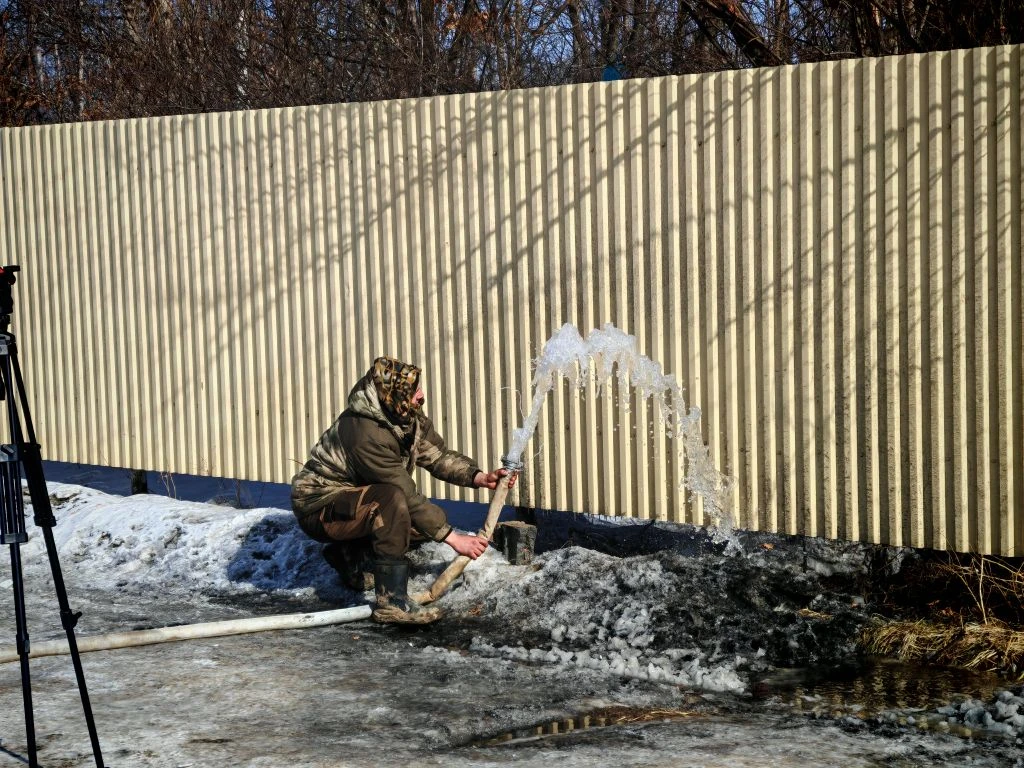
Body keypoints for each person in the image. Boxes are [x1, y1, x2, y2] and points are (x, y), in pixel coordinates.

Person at [290, 356, 515, 625]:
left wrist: (479, 477)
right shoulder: (364, 432)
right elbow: (402, 492)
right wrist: (453, 538)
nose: (421, 396)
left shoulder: (404, 413)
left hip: (354, 504)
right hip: (321, 506)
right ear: (392, 395)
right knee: (394, 504)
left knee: (417, 522)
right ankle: (392, 602)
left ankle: (352, 556)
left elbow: (437, 455)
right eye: (414, 392)